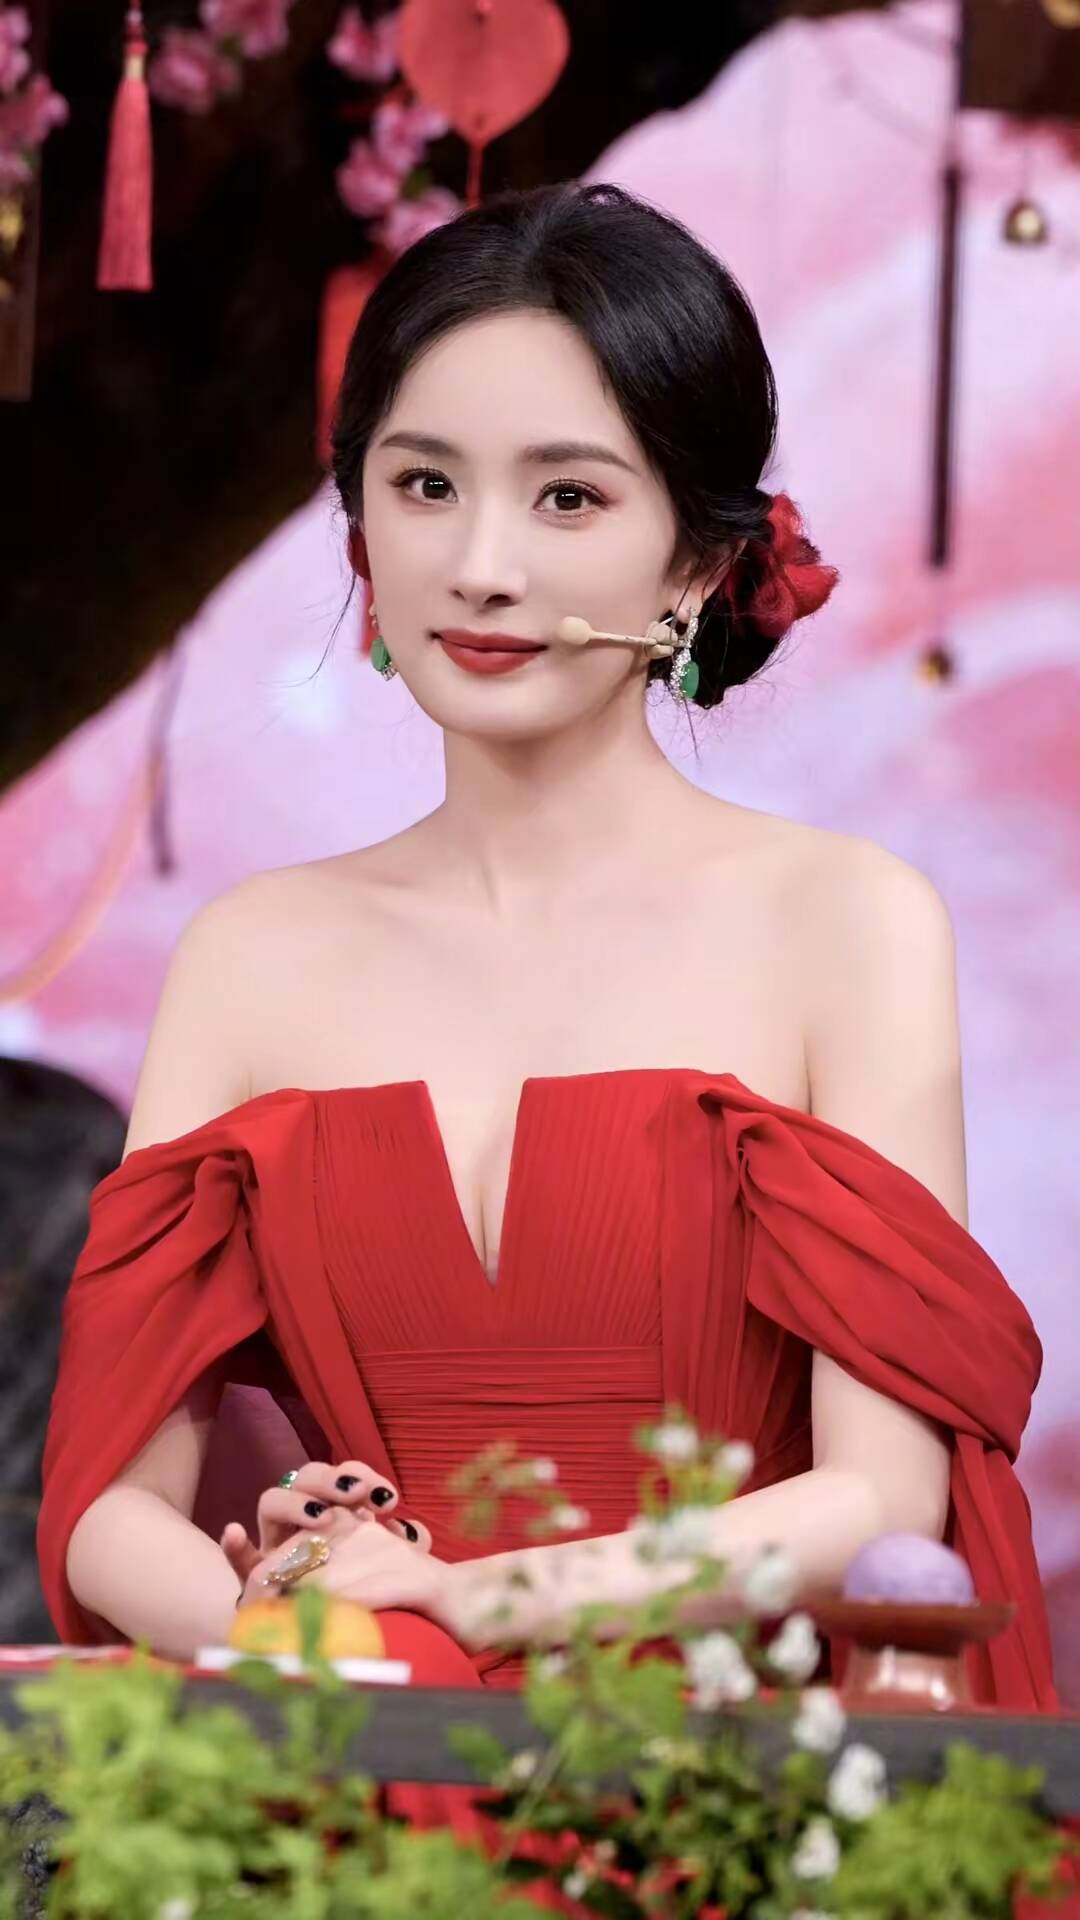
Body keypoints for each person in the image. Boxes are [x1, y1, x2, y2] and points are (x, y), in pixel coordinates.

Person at [38, 181, 1055, 1710]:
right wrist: (311, 1638)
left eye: (568, 498)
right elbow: (112, 1507)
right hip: (344, 1740)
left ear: (698, 562)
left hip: (723, 1770)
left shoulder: (845, 924)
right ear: (360, 521)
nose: (480, 563)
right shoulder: (250, 957)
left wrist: (477, 1602)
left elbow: (882, 1497)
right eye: (424, 485)